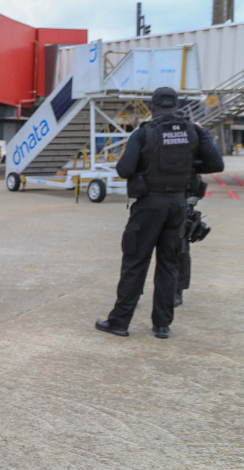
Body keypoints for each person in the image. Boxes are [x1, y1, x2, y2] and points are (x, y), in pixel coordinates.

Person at [96, 87, 223, 339]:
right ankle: (162, 325)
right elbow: (216, 164)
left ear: (153, 106)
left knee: (135, 262)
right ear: (176, 106)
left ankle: (120, 322)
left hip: (148, 206)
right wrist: (188, 165)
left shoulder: (144, 132)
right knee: (169, 264)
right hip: (178, 205)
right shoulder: (193, 131)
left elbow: (124, 169)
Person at [175, 176, 207, 307]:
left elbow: (214, 163)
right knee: (139, 250)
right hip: (153, 197)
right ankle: (132, 292)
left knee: (180, 250)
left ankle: (177, 290)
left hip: (183, 199)